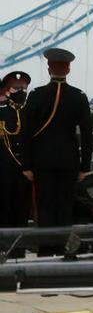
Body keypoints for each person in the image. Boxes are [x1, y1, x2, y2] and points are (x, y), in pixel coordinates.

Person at [19, 48, 93, 255]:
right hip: (68, 162)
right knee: (64, 208)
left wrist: (26, 164)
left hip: (41, 162)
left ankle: (45, 250)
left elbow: (25, 132)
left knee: (44, 209)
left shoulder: (37, 95)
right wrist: (85, 166)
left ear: (48, 68)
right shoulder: (78, 96)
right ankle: (63, 249)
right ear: (68, 69)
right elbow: (87, 134)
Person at [0, 70, 32, 228]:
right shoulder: (2, 113)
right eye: (16, 88)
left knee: (22, 213)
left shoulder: (32, 113)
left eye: (23, 88)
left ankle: (18, 251)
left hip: (26, 172)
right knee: (4, 211)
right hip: (4, 171)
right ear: (7, 91)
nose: (20, 92)